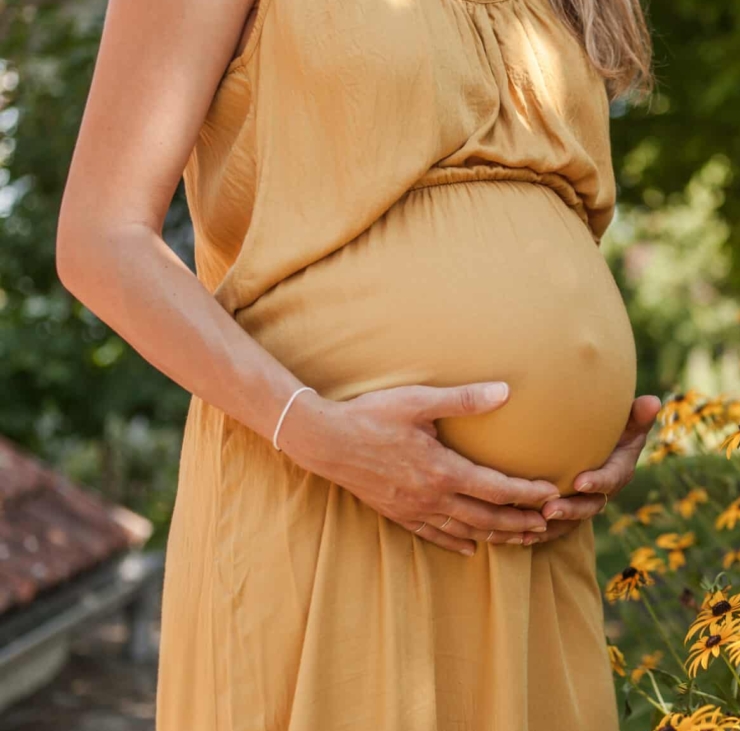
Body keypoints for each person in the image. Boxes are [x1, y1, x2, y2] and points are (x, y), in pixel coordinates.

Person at [54, 0, 659, 727]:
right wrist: (313, 429)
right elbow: (99, 236)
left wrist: (587, 413)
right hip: (330, 496)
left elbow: (546, 216)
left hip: (532, 542)